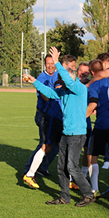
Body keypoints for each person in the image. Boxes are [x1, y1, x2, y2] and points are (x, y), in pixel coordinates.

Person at [23, 47, 95, 208]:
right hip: (66, 133)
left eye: (62, 81)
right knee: (61, 167)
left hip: (77, 134)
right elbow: (48, 92)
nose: (60, 84)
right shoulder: (64, 92)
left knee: (72, 167)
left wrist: (56, 61)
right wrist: (34, 81)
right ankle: (64, 196)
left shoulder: (79, 88)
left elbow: (67, 80)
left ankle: (89, 194)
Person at [86, 54, 109, 197]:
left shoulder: (95, 84)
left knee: (92, 155)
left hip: (101, 124)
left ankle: (94, 189)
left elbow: (93, 104)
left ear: (93, 73)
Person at [23, 55, 60, 188]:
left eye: (52, 63)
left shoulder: (58, 75)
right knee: (45, 143)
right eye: (48, 64)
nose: (50, 66)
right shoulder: (41, 78)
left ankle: (42, 167)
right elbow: (45, 97)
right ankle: (29, 170)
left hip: (55, 114)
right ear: (44, 64)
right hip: (44, 114)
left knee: (55, 145)